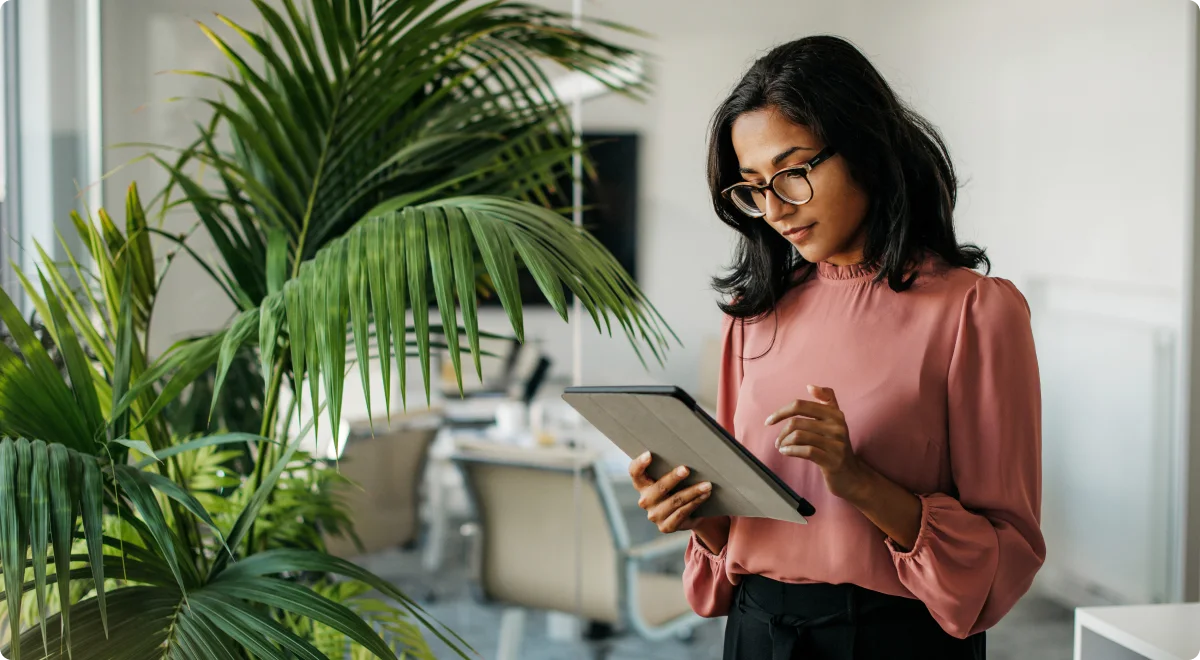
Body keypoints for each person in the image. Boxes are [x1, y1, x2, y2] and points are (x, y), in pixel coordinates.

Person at [628, 35, 1044, 660]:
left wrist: (855, 478)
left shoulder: (974, 312)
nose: (774, 208)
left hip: (893, 640)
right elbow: (742, 536)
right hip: (755, 631)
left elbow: (1006, 550)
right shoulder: (751, 316)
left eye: (793, 172)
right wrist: (698, 516)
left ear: (865, 150)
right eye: (753, 187)